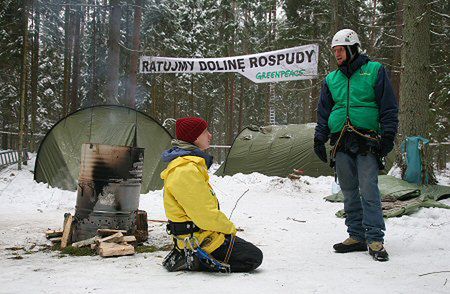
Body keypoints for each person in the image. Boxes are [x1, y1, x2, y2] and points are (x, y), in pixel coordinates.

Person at [314, 29, 399, 262]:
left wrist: (388, 136)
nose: (337, 54)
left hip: (367, 140)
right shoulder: (331, 79)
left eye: (340, 50)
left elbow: (388, 106)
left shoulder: (375, 71)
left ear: (352, 48)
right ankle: (356, 235)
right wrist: (319, 138)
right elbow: (324, 112)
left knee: (368, 189)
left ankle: (374, 238)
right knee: (349, 190)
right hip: (341, 140)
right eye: (334, 51)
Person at [160, 117, 263, 272]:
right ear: (194, 138)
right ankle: (193, 259)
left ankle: (191, 255)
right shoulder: (185, 171)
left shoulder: (188, 166)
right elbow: (205, 215)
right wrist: (229, 229)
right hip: (198, 241)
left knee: (247, 250)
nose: (210, 135)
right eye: (205, 132)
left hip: (203, 234)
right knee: (253, 257)